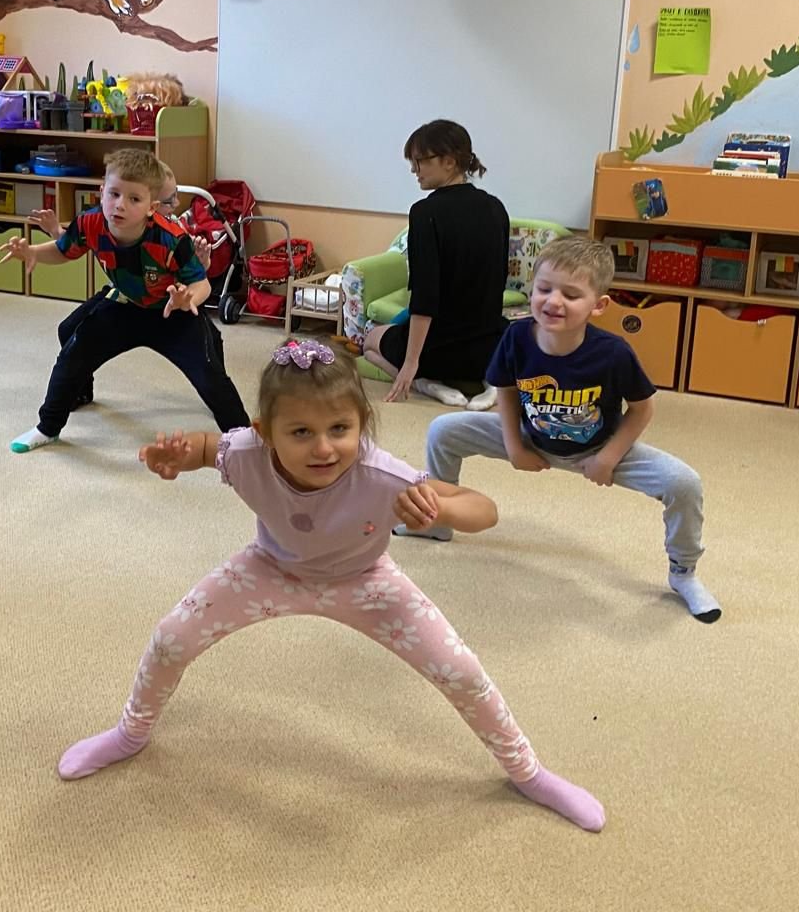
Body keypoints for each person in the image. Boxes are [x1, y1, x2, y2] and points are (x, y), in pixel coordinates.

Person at [55, 340, 606, 832]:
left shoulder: (382, 474)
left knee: (461, 670)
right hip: (270, 568)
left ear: (361, 425)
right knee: (171, 638)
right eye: (301, 433)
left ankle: (527, 771)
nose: (324, 448)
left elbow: (484, 510)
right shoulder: (245, 452)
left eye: (340, 429)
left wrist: (441, 509)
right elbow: (205, 447)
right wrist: (175, 458)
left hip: (364, 579)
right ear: (265, 433)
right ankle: (130, 733)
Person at [417, 237, 721, 622]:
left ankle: (684, 573)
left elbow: (643, 408)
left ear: (599, 305)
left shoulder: (613, 353)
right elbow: (505, 389)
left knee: (684, 483)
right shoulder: (516, 336)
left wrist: (607, 458)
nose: (553, 301)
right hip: (531, 436)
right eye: (544, 289)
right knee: (444, 430)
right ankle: (439, 521)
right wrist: (514, 446)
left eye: (571, 295)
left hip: (598, 447)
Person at [3, 149, 249, 453]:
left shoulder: (172, 238)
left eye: (134, 199)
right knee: (73, 355)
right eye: (114, 194)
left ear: (151, 207)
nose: (120, 205)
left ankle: (245, 440)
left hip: (172, 312)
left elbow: (201, 284)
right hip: (125, 305)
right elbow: (65, 249)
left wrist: (188, 300)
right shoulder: (90, 222)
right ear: (101, 191)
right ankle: (48, 428)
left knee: (210, 376)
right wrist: (34, 253)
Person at [29, 160, 216, 411]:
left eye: (175, 198)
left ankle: (216, 392)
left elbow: (196, 279)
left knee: (208, 342)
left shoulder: (174, 232)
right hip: (126, 293)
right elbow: (73, 245)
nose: (176, 205)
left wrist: (203, 262)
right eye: (169, 200)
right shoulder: (116, 221)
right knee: (68, 329)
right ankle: (80, 390)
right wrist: (55, 232)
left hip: (170, 302)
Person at [362, 120, 510, 411]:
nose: (414, 170)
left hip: (437, 352)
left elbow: (425, 296)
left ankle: (424, 383)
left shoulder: (425, 212)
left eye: (420, 161)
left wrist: (411, 362)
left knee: (369, 342)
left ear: (449, 161)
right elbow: (498, 279)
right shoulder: (496, 207)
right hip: (489, 348)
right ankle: (492, 382)